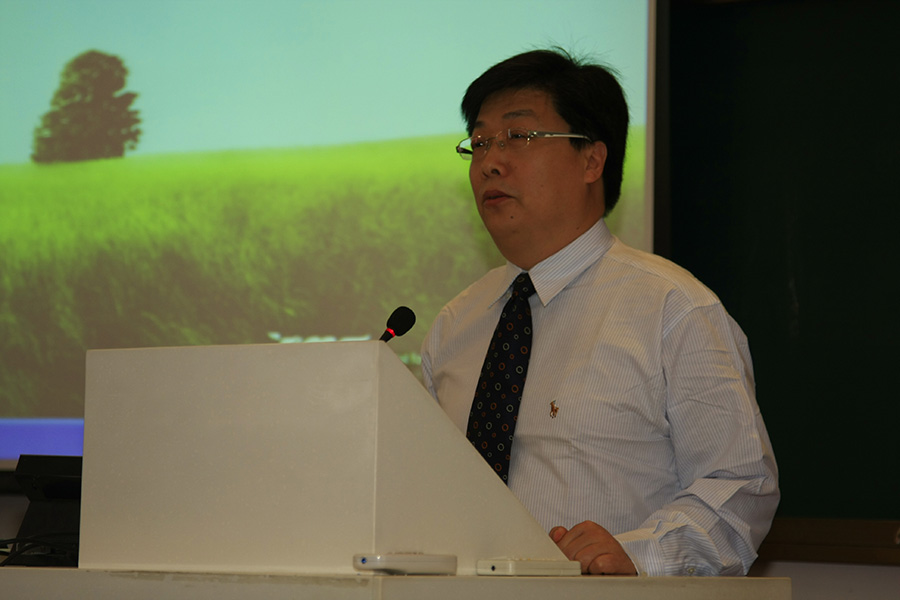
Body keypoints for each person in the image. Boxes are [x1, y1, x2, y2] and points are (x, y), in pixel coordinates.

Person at [420, 48, 779, 577]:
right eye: (480, 142)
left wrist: (637, 555)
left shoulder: (673, 309)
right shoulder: (456, 324)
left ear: (591, 160)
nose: (490, 161)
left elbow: (741, 488)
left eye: (518, 136)